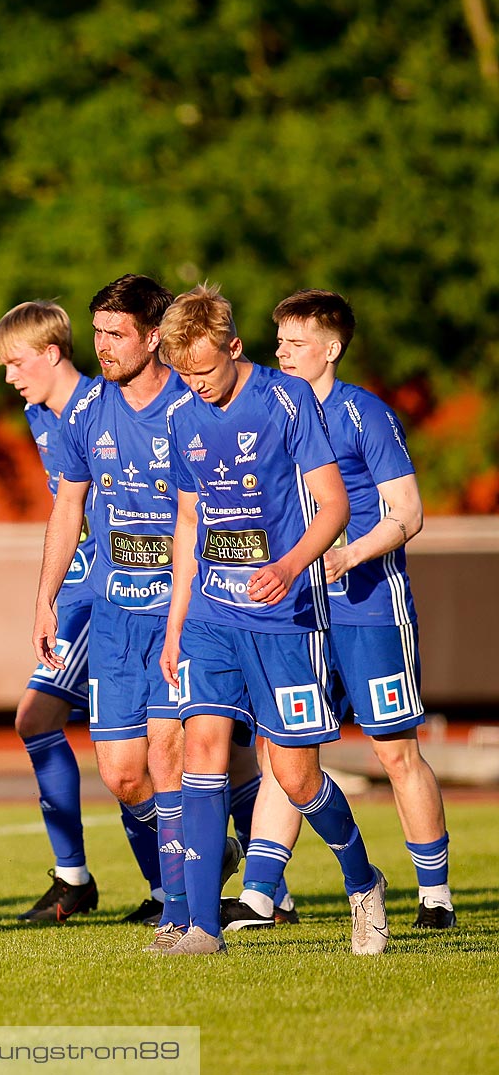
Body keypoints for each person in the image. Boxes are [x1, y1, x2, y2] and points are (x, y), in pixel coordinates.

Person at [158, 284, 387, 956]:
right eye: (183, 373)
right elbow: (189, 520)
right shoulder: (180, 417)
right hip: (209, 612)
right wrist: (175, 626)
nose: (194, 384)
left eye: (204, 369)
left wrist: (289, 567)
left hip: (282, 614)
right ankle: (202, 926)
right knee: (200, 749)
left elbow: (334, 505)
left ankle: (362, 882)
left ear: (234, 347)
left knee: (295, 777)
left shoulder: (287, 403)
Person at [217, 290, 453, 931]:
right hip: (294, 613)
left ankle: (434, 896)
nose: (283, 353)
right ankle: (262, 895)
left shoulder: (363, 414)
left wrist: (348, 558)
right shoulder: (263, 412)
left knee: (395, 751)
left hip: (367, 607)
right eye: (280, 341)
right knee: (281, 750)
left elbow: (408, 513)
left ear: (332, 348)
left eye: (296, 343)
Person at [33, 275, 256, 938]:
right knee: (123, 775)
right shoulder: (84, 412)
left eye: (115, 333)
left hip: (181, 612)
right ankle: (208, 849)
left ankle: (182, 913)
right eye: (96, 332)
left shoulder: (193, 405)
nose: (101, 346)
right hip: (113, 617)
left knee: (166, 755)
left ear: (153, 336)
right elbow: (67, 506)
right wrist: (46, 599)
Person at [0, 301, 162, 923]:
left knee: (169, 752)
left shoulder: (103, 405)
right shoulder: (41, 415)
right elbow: (67, 511)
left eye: (16, 363)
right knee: (43, 722)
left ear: (52, 352)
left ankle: (221, 882)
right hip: (84, 590)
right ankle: (79, 877)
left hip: (127, 587)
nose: (10, 378)